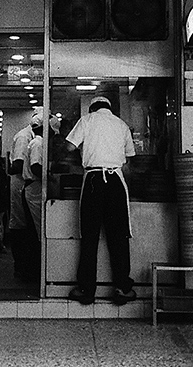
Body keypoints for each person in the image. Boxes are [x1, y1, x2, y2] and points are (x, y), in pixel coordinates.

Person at [65, 96, 137, 306]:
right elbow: (130, 159)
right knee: (119, 237)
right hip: (116, 180)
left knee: (89, 237)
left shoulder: (87, 120)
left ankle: (87, 290)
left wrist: (80, 154)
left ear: (93, 108)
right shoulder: (121, 124)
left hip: (94, 179)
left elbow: (69, 147)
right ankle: (122, 288)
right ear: (109, 108)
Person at [21, 115, 60, 278]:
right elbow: (36, 167)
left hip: (35, 189)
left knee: (36, 230)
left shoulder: (39, 142)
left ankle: (35, 270)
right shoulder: (38, 143)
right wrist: (50, 177)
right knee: (36, 231)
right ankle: (35, 271)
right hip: (34, 190)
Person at [9, 107, 42, 279]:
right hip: (21, 184)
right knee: (21, 225)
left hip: (26, 184)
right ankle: (21, 266)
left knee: (28, 226)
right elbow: (17, 164)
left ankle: (26, 265)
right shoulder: (24, 136)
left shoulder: (34, 137)